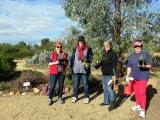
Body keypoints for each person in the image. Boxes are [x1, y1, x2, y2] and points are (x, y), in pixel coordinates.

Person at [126, 40, 152, 118]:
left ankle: (143, 110)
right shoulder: (131, 56)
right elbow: (129, 67)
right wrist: (127, 76)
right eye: (136, 46)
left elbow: (150, 65)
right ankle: (138, 105)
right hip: (134, 77)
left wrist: (144, 65)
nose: (137, 48)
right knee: (136, 92)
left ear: (141, 46)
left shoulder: (145, 54)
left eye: (139, 46)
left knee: (142, 93)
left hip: (143, 77)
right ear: (134, 47)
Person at [94, 41, 118, 110]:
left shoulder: (113, 54)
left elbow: (114, 65)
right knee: (105, 88)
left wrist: (114, 75)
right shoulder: (104, 54)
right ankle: (106, 101)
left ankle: (112, 102)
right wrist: (97, 66)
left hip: (110, 74)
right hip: (104, 74)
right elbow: (102, 62)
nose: (107, 46)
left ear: (110, 45)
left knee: (109, 88)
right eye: (105, 45)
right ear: (104, 46)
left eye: (108, 45)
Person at [70, 35, 93, 104]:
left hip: (84, 70)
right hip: (76, 69)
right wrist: (70, 66)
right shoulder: (75, 49)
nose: (81, 42)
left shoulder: (88, 49)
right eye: (80, 41)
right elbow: (72, 58)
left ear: (84, 42)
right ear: (78, 42)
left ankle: (86, 97)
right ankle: (75, 96)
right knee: (76, 84)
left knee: (85, 84)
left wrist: (88, 60)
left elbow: (91, 57)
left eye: (82, 41)